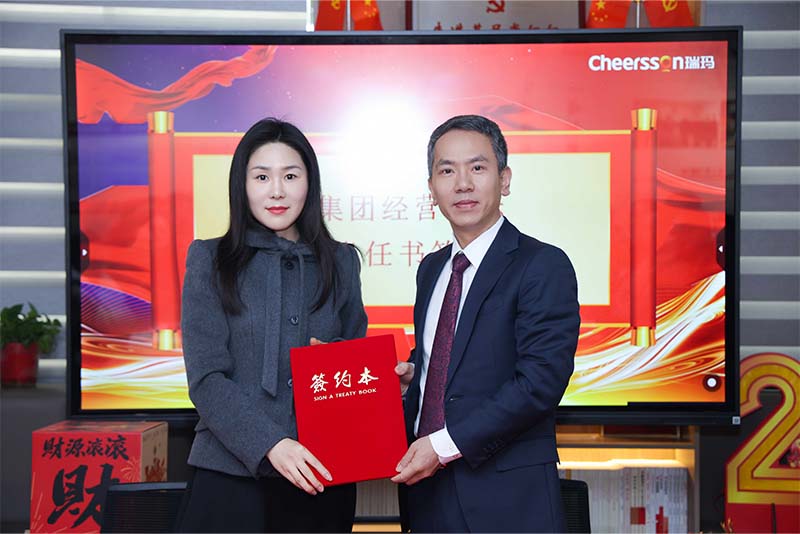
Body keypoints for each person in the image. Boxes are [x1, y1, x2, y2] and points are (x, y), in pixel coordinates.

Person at [392, 115, 580, 532]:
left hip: (507, 500)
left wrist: (443, 446)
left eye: (477, 167)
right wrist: (412, 380)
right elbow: (448, 360)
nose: (463, 184)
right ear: (431, 189)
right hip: (425, 493)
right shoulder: (431, 269)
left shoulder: (541, 264)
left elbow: (540, 382)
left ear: (504, 179)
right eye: (447, 171)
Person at [178, 118, 368, 533]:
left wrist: (371, 375)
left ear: (310, 184)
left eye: (290, 176)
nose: (277, 191)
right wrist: (271, 443)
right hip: (228, 474)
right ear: (242, 184)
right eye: (262, 176)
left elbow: (354, 368)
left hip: (320, 475)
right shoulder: (211, 260)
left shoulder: (340, 262)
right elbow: (206, 377)